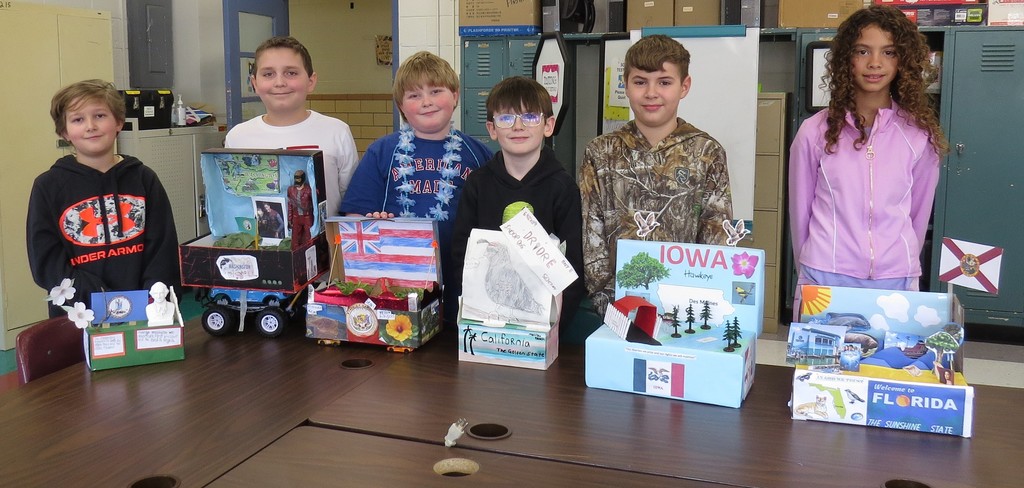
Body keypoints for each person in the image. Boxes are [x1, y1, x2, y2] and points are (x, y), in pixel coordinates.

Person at [788, 5, 947, 294]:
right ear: (845, 59)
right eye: (863, 51)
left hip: (895, 277)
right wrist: (809, 270)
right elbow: (800, 215)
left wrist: (902, 259)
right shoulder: (814, 132)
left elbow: (918, 216)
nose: (875, 63)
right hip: (824, 275)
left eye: (888, 52)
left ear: (903, 61)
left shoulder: (919, 135)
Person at [579, 35, 733, 314]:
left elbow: (716, 236)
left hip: (685, 305)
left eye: (664, 82)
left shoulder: (706, 152)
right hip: (616, 306)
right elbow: (592, 236)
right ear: (626, 85)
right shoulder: (601, 152)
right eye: (640, 82)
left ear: (684, 86)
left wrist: (696, 299)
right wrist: (608, 302)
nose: (651, 93)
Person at [341, 51, 492, 326]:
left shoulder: (478, 153)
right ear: (401, 105)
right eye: (414, 95)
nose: (426, 102)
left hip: (465, 282)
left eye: (436, 91)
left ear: (456, 96)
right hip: (398, 283)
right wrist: (374, 224)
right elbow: (355, 220)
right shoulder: (382, 152)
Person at [27, 79, 180, 317]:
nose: (90, 126)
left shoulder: (144, 179)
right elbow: (46, 262)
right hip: (78, 314)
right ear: (64, 131)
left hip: (145, 309)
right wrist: (100, 299)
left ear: (119, 122)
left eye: (99, 116)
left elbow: (163, 249)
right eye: (78, 119)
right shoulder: (48, 187)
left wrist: (151, 300)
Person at [450, 76, 585, 333]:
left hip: (542, 327)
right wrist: (471, 318)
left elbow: (573, 268)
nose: (518, 126)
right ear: (491, 128)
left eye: (531, 117)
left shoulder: (563, 188)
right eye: (506, 118)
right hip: (484, 323)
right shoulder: (478, 185)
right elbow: (461, 257)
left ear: (549, 125)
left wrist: (554, 328)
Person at [225, 35, 358, 217]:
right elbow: (233, 201)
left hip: (324, 243)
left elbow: (350, 201)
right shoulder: (238, 137)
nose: (280, 82)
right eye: (268, 74)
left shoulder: (337, 132)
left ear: (311, 81)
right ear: (255, 83)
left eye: (291, 73)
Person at [288, 169, 314, 247]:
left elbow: (313, 204)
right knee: (295, 238)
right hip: (296, 217)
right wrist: (290, 218)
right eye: (296, 178)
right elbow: (290, 204)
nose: (297, 180)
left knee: (308, 237)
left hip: (307, 216)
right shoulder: (291, 190)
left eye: (299, 178)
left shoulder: (309, 190)